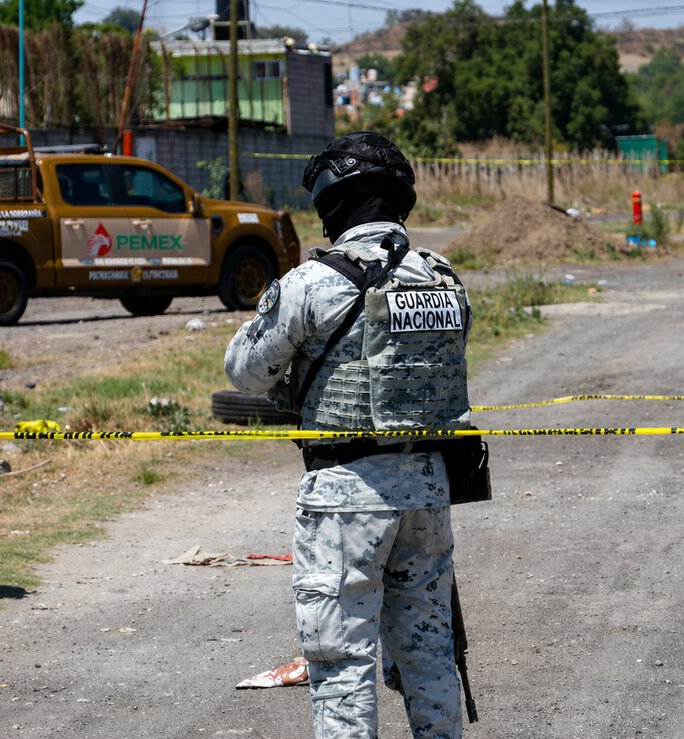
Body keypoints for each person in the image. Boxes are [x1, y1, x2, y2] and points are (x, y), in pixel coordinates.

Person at [225, 132, 473, 738]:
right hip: (428, 490)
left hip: (346, 496)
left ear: (334, 204)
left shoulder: (312, 283)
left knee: (341, 662)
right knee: (429, 653)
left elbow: (245, 370)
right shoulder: (443, 279)